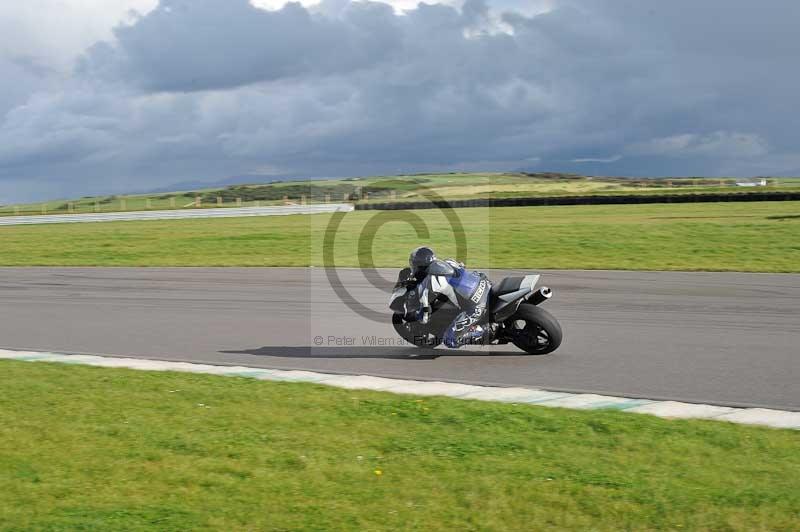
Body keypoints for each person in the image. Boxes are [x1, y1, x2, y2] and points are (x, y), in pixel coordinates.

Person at [404, 246, 493, 348]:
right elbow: (462, 266)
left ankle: (484, 330)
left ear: (418, 266)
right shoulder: (447, 261)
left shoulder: (427, 286)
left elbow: (424, 318)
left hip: (476, 304)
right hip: (483, 282)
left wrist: (417, 315)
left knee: (450, 340)